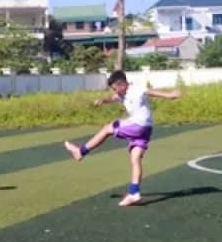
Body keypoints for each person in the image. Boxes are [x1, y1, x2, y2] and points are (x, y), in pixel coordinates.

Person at [64, 70, 181, 207]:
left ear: (122, 84)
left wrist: (170, 95)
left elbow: (151, 92)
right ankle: (134, 193)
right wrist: (103, 101)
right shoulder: (122, 94)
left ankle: (81, 151)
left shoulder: (136, 89)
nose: (115, 91)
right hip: (146, 129)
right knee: (135, 158)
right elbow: (113, 98)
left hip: (138, 124)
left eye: (115, 88)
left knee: (107, 128)